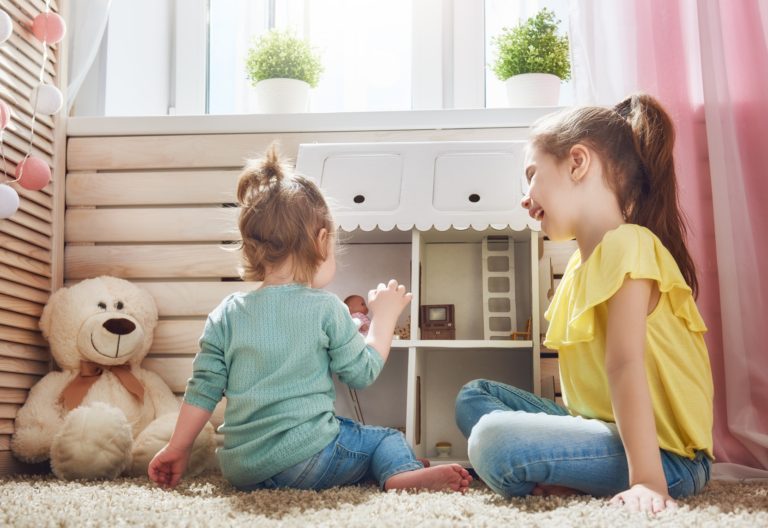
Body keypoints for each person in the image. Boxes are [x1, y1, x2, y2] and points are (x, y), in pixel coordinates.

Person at [149, 144, 471, 493]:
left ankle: (389, 466)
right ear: (321, 242)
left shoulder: (226, 313)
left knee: (348, 434)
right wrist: (385, 316)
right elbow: (362, 373)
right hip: (309, 460)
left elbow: (203, 389)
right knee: (384, 438)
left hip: (244, 470)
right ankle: (397, 473)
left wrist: (176, 448)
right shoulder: (325, 308)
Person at [455, 94, 713, 514]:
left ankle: (598, 474)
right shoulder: (577, 267)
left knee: (492, 439)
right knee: (474, 397)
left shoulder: (631, 244)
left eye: (532, 174)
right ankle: (570, 472)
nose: (525, 197)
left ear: (577, 162)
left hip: (666, 460)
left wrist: (648, 481)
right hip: (603, 433)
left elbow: (624, 364)